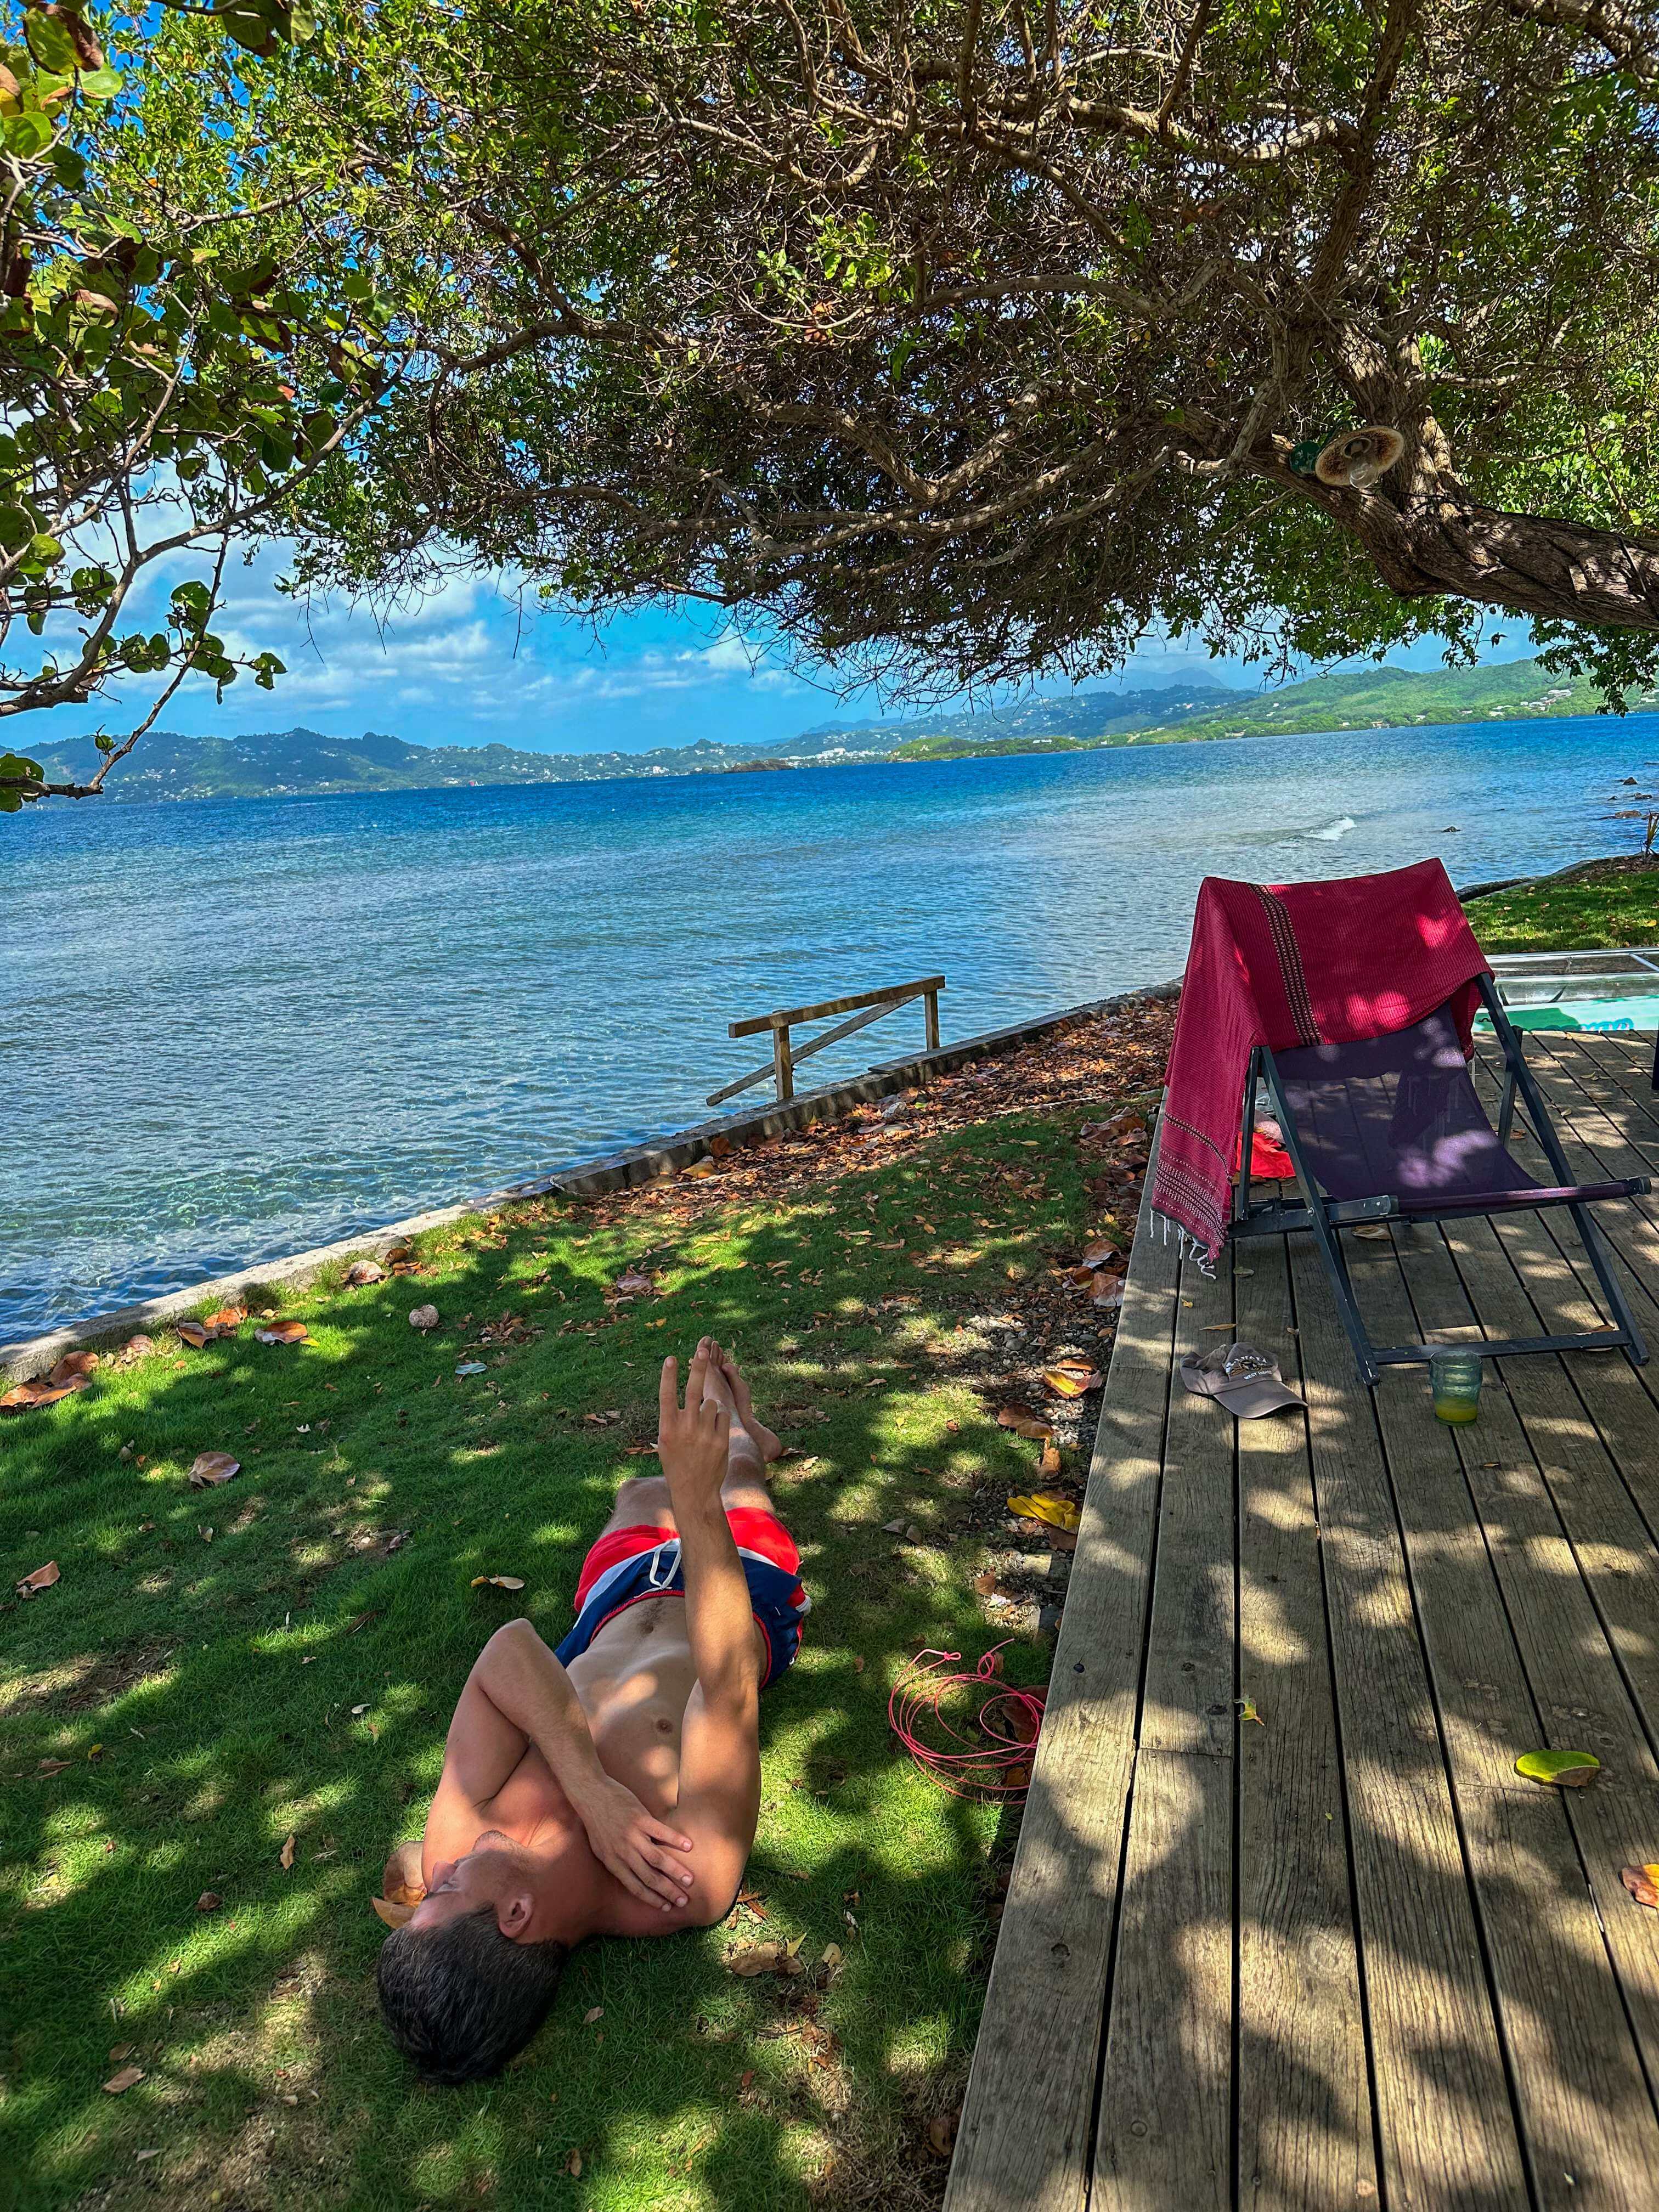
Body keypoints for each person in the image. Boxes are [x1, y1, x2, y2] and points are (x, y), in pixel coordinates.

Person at [376, 1339, 806, 2083]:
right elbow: (726, 1686)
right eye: (443, 1892)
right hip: (735, 1603)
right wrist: (699, 1502)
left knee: (641, 1493)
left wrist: (594, 1791)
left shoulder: (461, 1841)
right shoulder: (684, 1881)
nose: (437, 1869)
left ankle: (723, 1448)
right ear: (515, 1917)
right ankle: (747, 1438)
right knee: (732, 1475)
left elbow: (511, 1650)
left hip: (612, 1604)